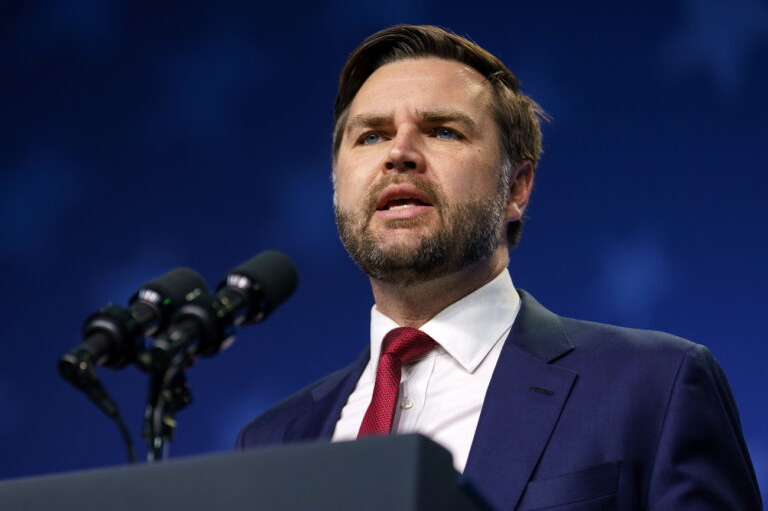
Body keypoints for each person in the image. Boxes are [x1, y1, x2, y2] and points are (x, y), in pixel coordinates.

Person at [237, 25, 762, 510]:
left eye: (443, 131)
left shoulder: (655, 385)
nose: (399, 153)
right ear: (338, 184)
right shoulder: (271, 441)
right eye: (370, 135)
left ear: (516, 187)